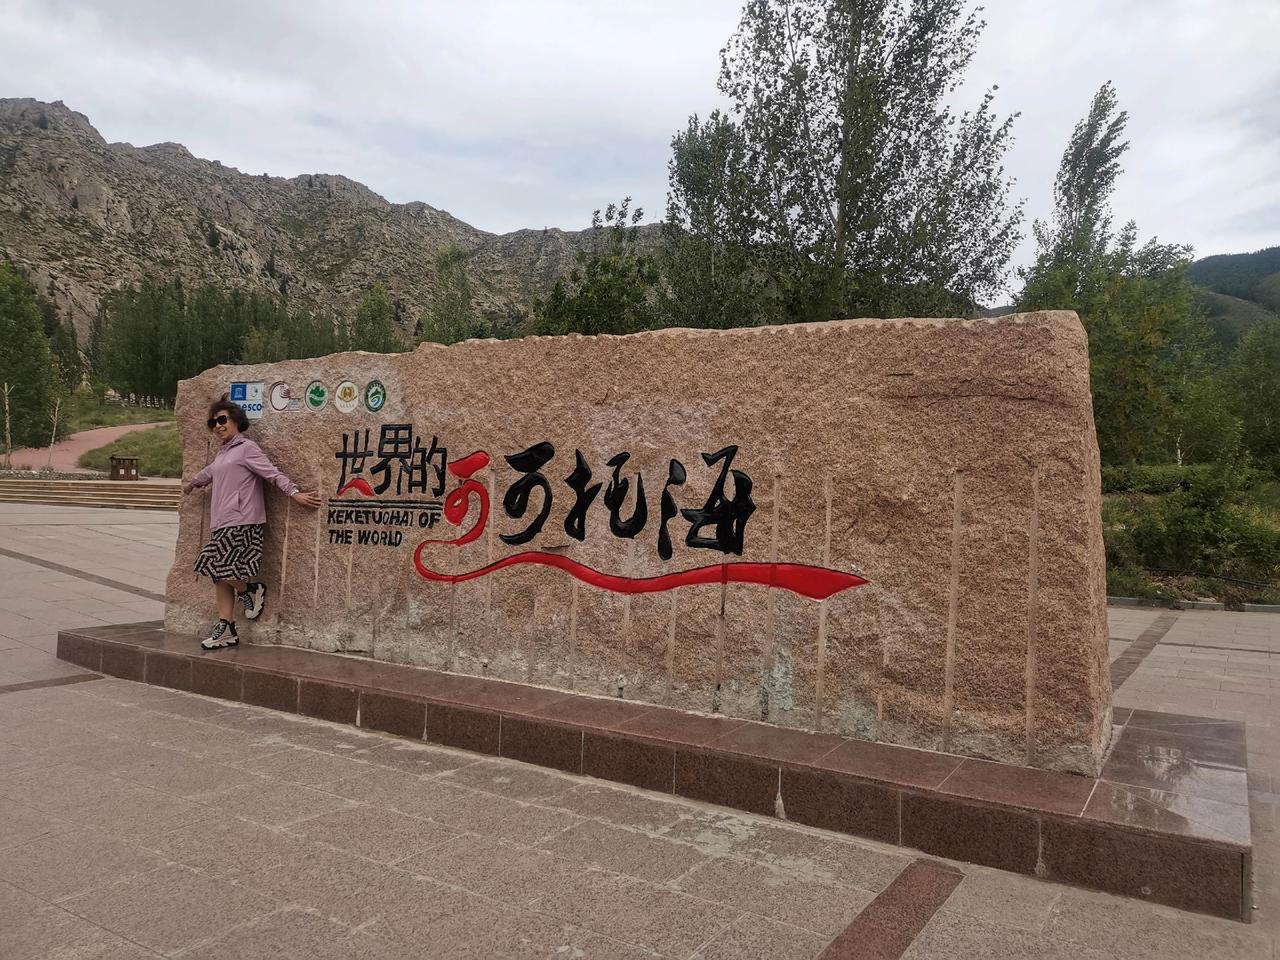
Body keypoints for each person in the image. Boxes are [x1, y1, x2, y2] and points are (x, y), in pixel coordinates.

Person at [183, 396, 321, 649]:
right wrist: (193, 483)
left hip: (243, 521)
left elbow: (271, 473)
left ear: (236, 420)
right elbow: (210, 472)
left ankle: (250, 590)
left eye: (222, 420)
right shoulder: (223, 452)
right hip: (221, 522)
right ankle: (227, 627)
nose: (218, 426)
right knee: (219, 575)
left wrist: (294, 493)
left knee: (216, 566)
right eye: (213, 422)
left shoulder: (247, 448)